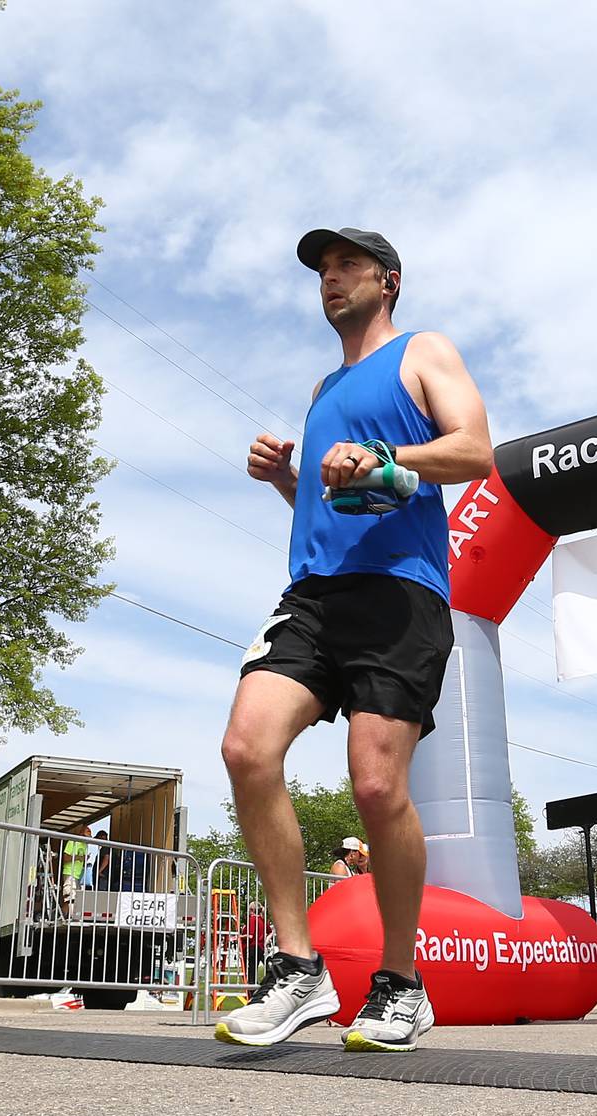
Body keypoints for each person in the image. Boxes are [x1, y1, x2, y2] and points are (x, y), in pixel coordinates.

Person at [215, 226, 492, 1051]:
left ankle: (401, 985)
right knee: (245, 748)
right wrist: (288, 481)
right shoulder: (322, 386)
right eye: (323, 271)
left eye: (347, 266)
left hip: (402, 595)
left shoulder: (421, 352)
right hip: (312, 597)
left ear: (389, 280)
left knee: (376, 788)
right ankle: (299, 971)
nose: (331, 280)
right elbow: (329, 508)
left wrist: (379, 454)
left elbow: (475, 451)